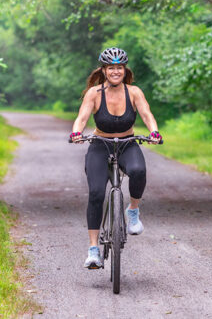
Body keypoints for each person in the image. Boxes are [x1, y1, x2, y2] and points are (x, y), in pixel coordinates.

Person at [70, 47, 162, 269]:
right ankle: (93, 250)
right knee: (95, 193)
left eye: (119, 67)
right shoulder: (94, 93)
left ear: (124, 69)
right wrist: (76, 133)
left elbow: (147, 114)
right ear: (104, 70)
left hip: (127, 143)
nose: (115, 71)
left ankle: (133, 210)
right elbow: (82, 118)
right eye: (111, 67)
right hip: (100, 145)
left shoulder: (134, 92)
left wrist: (154, 132)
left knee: (139, 171)